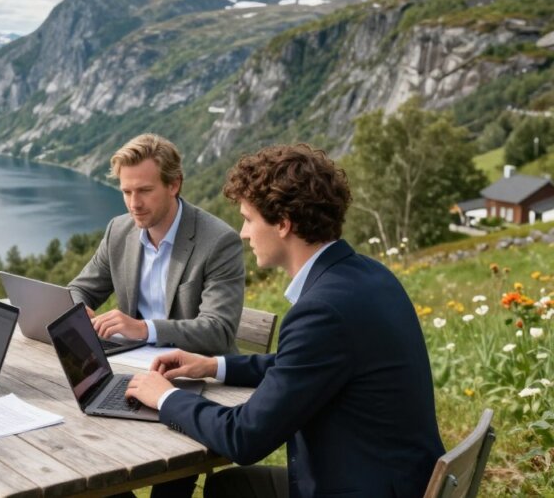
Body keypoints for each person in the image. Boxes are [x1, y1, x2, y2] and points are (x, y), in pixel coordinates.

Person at [126, 144, 444, 498]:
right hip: (396, 478)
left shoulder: (322, 311)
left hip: (358, 488)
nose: (243, 233)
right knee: (233, 487)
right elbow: (299, 365)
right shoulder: (369, 275)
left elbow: (243, 437)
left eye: (249, 219)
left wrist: (166, 397)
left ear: (283, 223)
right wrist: (213, 365)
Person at [68, 133, 245, 355]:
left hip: (200, 372)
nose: (134, 204)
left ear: (174, 185)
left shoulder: (219, 241)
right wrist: (78, 310)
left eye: (144, 190)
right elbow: (79, 289)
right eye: (126, 192)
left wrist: (143, 329)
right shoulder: (118, 231)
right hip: (133, 363)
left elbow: (219, 331)